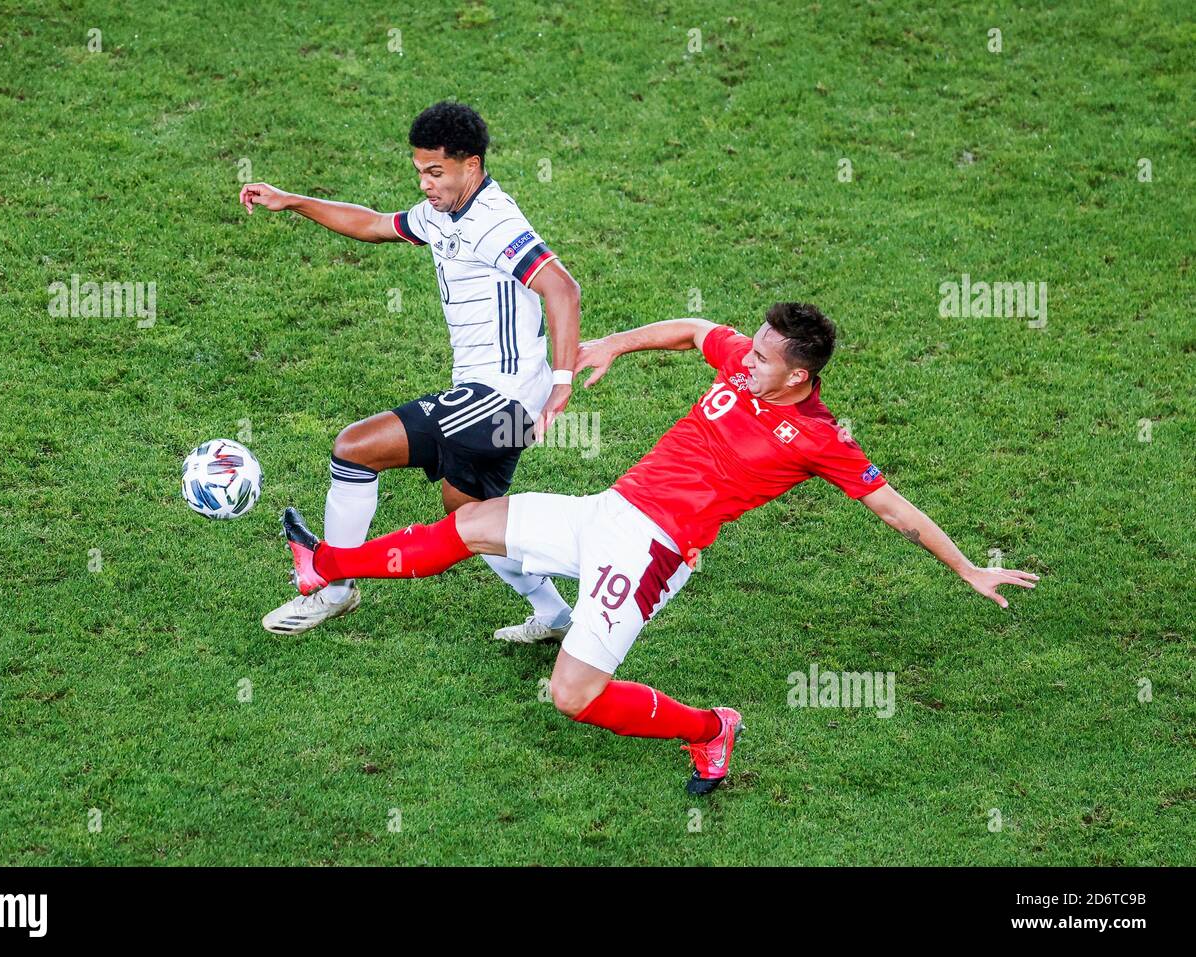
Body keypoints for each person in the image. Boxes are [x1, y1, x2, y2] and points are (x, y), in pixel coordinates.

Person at [276, 304, 1040, 793]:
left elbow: (894, 509)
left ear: (798, 376)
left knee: (573, 695)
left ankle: (711, 728)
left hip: (653, 554)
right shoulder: (743, 362)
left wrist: (967, 565)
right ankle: (325, 566)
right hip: (606, 510)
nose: (744, 360)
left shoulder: (819, 438)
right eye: (751, 348)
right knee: (472, 525)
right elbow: (694, 328)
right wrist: (614, 343)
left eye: (762, 359)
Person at [241, 102, 580, 641]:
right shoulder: (442, 212)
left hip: (502, 397)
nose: (424, 183)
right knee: (472, 522)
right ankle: (558, 615)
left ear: (471, 165)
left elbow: (562, 288)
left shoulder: (495, 223)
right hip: (498, 398)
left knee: (354, 448)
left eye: (435, 172)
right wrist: (294, 201)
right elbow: (376, 225)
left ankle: (332, 585)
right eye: (420, 171)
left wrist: (561, 385)